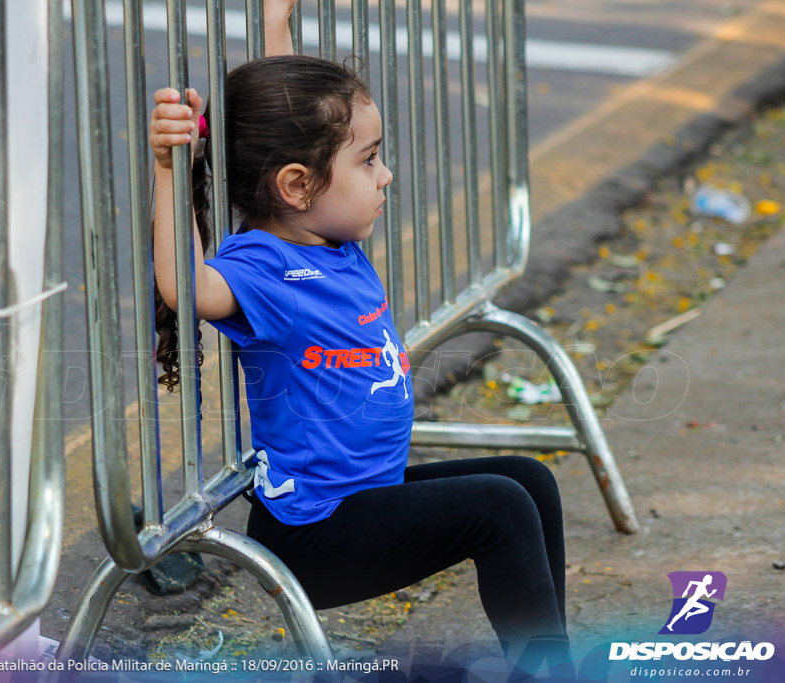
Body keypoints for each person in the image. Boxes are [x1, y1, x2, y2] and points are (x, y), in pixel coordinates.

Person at [149, 3, 569, 674]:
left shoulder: (329, 236)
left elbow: (282, 105)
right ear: (295, 186)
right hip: (318, 535)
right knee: (501, 507)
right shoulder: (268, 267)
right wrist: (171, 172)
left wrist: (273, 21)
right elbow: (188, 288)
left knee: (528, 481)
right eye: (369, 160)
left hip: (368, 496)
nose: (386, 176)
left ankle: (543, 661)